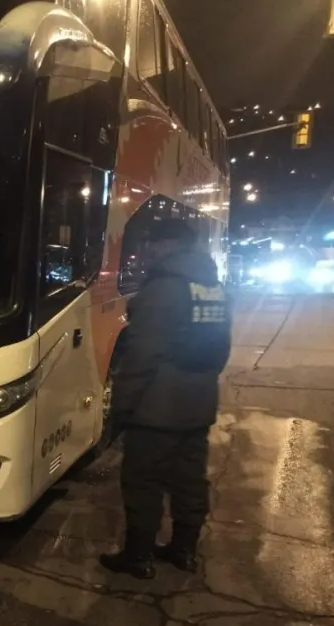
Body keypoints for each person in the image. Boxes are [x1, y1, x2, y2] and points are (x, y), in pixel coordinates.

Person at [100, 220, 232, 580]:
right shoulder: (212, 286)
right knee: (189, 479)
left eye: (153, 244)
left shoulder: (163, 289)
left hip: (157, 409)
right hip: (198, 403)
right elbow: (221, 350)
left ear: (169, 244)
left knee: (143, 482)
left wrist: (121, 409)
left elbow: (141, 358)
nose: (148, 251)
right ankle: (184, 550)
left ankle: (137, 556)